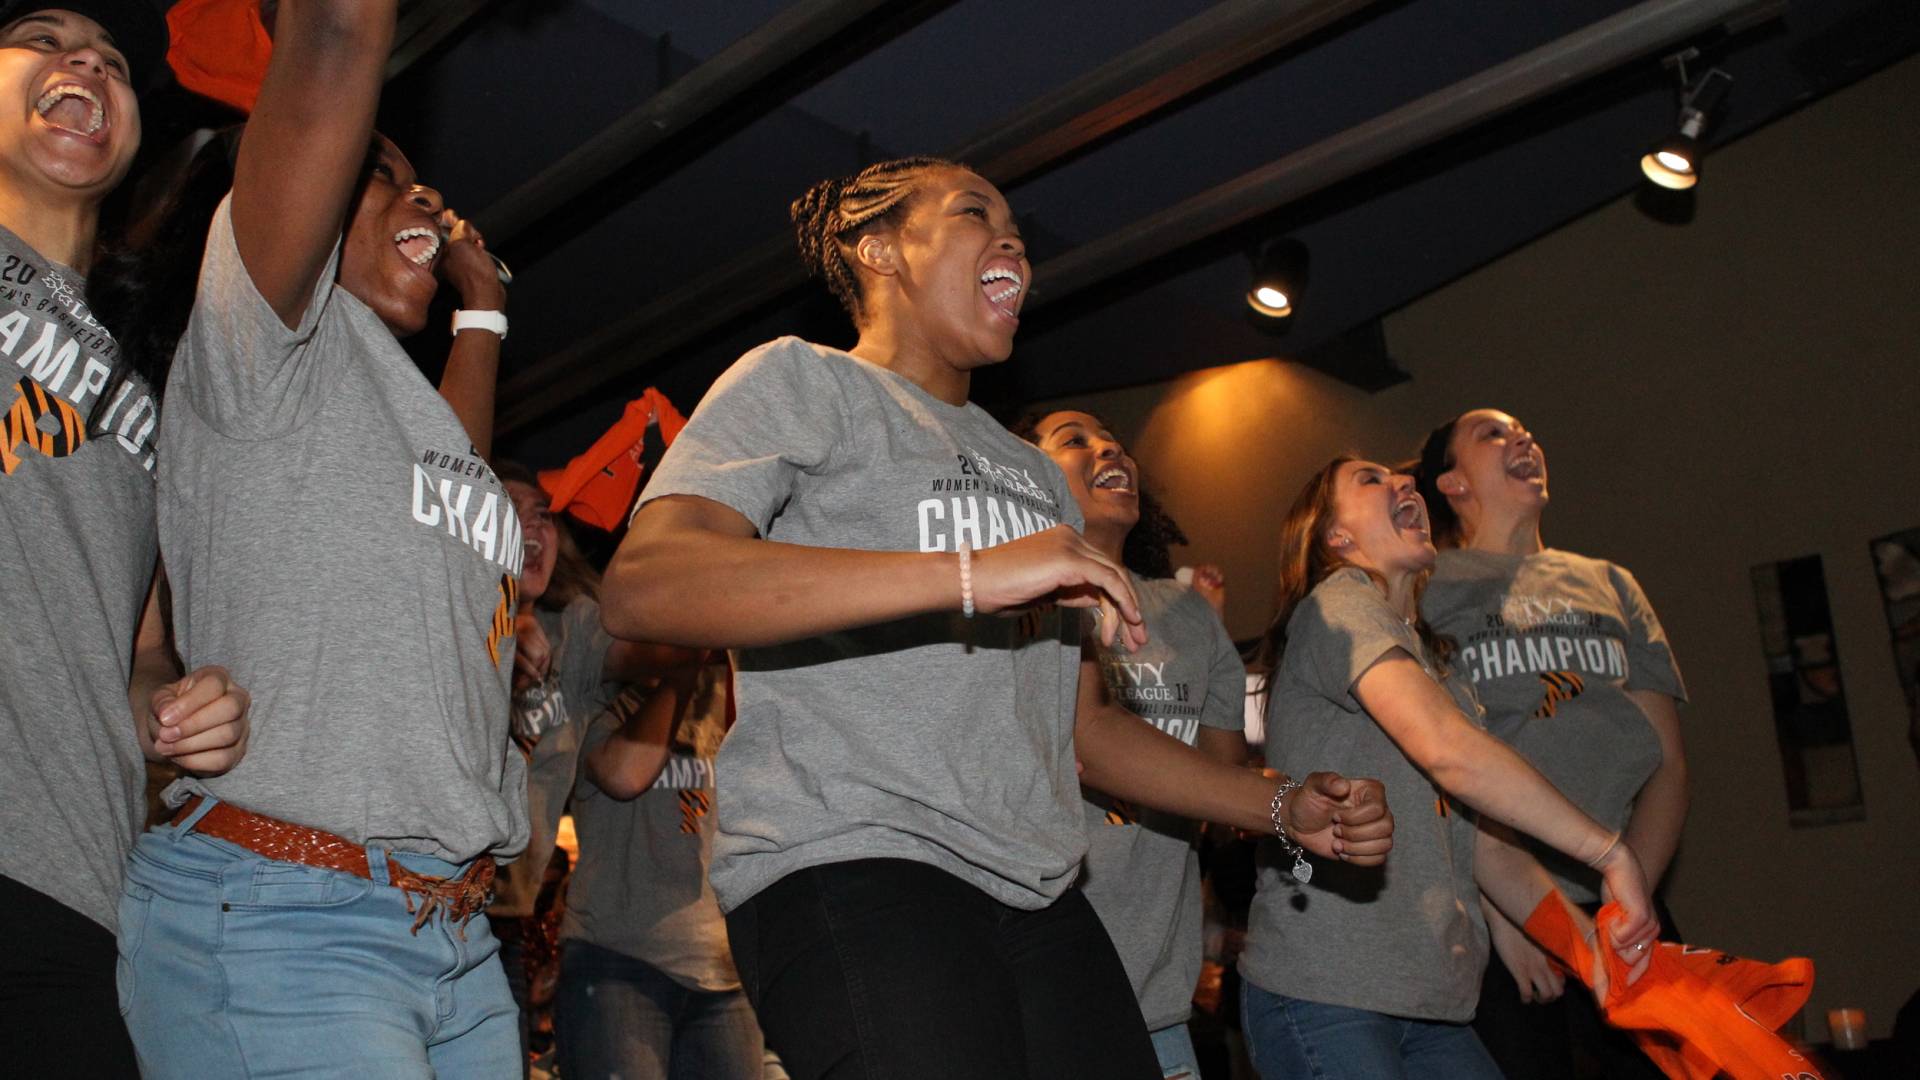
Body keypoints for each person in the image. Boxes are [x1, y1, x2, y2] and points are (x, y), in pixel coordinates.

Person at [601, 155, 1394, 1079]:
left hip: (1039, 886)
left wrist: (1279, 805)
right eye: (976, 212)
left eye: (1017, 225)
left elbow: (1087, 733)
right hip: (853, 859)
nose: (1013, 238)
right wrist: (970, 574)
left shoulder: (1030, 479)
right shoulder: (804, 383)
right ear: (880, 248)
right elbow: (647, 582)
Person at [116, 3, 527, 1076]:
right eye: (382, 176)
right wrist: (331, 45)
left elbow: (457, 482)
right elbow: (337, 39)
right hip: (286, 918)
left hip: (455, 936)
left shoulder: (399, 407)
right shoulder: (260, 340)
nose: (425, 198)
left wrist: (481, 313)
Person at [0, 5, 249, 1076]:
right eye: (43, 40)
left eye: (110, 61)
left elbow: (139, 640)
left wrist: (177, 699)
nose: (86, 61)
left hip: (71, 870)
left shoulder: (153, 382)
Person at [1238, 456, 1659, 1080]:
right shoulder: (1339, 605)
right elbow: (1449, 750)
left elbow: (1490, 847)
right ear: (1335, 537)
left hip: (1431, 1008)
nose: (1405, 483)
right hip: (1327, 995)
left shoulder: (1439, 667)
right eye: (1372, 480)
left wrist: (1591, 951)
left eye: (1401, 477)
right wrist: (1611, 854)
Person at [1412, 408, 1689, 1079]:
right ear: (1450, 483)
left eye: (1527, 431)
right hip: (1501, 914)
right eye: (1494, 434)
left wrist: (1630, 906)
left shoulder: (1611, 583)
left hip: (1629, 905)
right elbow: (1434, 764)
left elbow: (1668, 764)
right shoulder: (1424, 588)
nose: (1523, 439)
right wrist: (1504, 911)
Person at [1019, 408, 1248, 1080]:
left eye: (1113, 439)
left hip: (1157, 1006)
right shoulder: (1011, 600)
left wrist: (1290, 803)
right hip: (1040, 999)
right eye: (1074, 441)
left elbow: (1224, 785)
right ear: (1026, 475)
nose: (1108, 446)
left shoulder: (1191, 620)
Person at [556, 660, 767, 1080]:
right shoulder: (598, 691)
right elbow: (624, 775)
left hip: (724, 971)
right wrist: (683, 666)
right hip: (617, 962)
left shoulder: (732, 693)